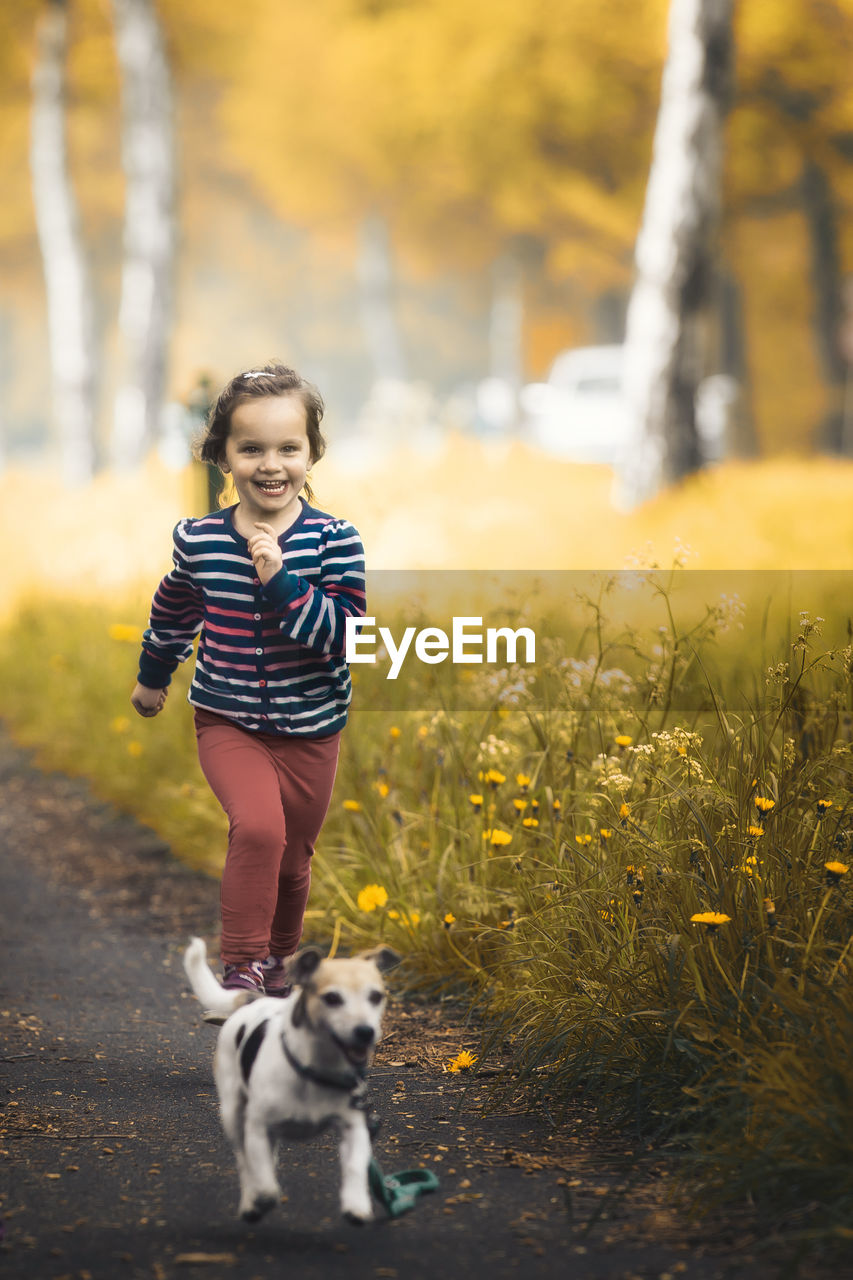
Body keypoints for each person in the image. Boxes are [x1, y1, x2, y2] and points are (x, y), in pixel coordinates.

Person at [130, 364, 366, 996]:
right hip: (228, 718)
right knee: (259, 829)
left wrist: (282, 583)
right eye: (251, 448)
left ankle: (280, 963)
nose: (271, 464)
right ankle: (241, 970)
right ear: (222, 455)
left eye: (289, 448)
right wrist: (155, 674)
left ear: (312, 452)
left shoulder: (335, 540)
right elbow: (176, 608)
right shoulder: (200, 540)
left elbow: (346, 637)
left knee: (292, 860)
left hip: (313, 727)